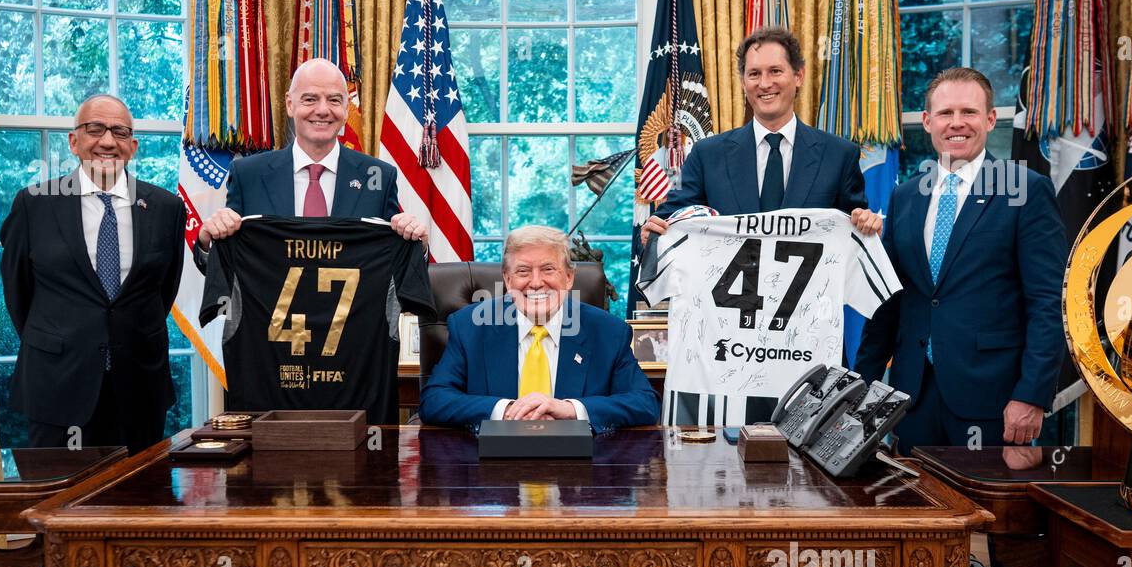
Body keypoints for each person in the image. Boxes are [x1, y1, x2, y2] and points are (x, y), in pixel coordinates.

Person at [855, 66, 1067, 567]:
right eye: (944, 113)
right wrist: (864, 385)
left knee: (1010, 541)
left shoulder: (1023, 190)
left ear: (990, 118)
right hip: (915, 394)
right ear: (925, 122)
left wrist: (1032, 395)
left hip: (999, 398)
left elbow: (1045, 302)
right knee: (915, 530)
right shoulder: (912, 194)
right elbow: (896, 299)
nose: (956, 124)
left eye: (969, 113)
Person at [0, 92, 186, 567]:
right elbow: (19, 294)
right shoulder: (35, 203)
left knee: (138, 523)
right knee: (56, 526)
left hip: (137, 386)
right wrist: (67, 347)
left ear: (134, 144)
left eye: (122, 132)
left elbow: (161, 291)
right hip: (59, 390)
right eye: (96, 130)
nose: (109, 141)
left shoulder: (160, 206)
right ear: (74, 139)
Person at [643, 26, 880, 242]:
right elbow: (670, 219)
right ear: (744, 82)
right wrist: (654, 230)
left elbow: (856, 234)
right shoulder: (707, 155)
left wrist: (869, 226)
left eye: (775, 71)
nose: (764, 84)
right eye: (754, 74)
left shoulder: (839, 155)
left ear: (798, 76)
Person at [419, 225, 659, 432]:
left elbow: (644, 403)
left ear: (568, 277)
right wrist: (506, 410)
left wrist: (570, 409)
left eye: (548, 269)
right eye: (523, 271)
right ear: (507, 279)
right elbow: (434, 400)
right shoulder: (470, 326)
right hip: (491, 471)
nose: (535, 283)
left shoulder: (608, 331)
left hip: (581, 472)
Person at [195, 58, 426, 257]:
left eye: (334, 100)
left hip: (355, 309)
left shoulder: (379, 176)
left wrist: (418, 245)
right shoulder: (248, 175)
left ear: (346, 109)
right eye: (310, 99)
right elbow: (229, 263)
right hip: (268, 308)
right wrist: (208, 242)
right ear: (289, 104)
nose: (323, 110)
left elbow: (394, 261)